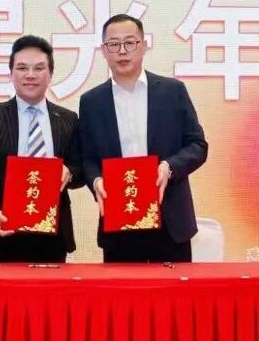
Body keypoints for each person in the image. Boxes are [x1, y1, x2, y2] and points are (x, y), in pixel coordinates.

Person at [78, 14, 208, 263]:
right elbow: (87, 158)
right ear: (103, 51)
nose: (122, 51)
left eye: (130, 42)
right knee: (122, 289)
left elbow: (198, 145)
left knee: (173, 290)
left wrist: (169, 167)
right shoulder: (91, 101)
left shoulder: (172, 91)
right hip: (118, 223)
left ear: (144, 45)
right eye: (113, 44)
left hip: (170, 221)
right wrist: (95, 181)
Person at [0, 35, 84, 263]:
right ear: (11, 73)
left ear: (50, 74)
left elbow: (79, 168)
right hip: (0, 229)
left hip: (52, 233)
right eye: (22, 68)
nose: (30, 75)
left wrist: (70, 172)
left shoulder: (67, 119)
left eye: (39, 68)